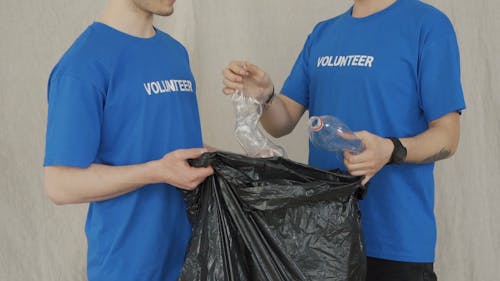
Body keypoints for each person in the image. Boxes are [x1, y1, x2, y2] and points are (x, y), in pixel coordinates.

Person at [222, 0, 465, 280]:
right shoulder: (323, 34)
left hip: (396, 241)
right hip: (324, 236)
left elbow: (448, 136)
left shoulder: (428, 25)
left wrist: (390, 149)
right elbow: (282, 121)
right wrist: (265, 96)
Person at [43, 0, 213, 280]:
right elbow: (59, 184)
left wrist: (246, 164)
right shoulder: (81, 65)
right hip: (127, 267)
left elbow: (179, 147)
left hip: (191, 260)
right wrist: (156, 172)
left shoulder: (175, 53)